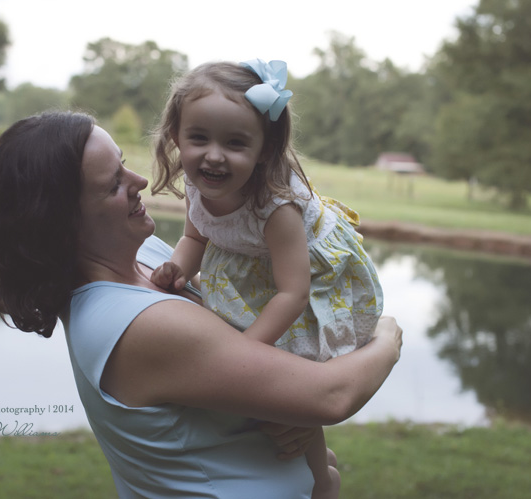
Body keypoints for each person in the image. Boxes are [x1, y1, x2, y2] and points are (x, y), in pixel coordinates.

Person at [0, 110, 402, 499]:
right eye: (113, 184)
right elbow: (332, 394)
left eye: (123, 161)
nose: (138, 181)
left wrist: (285, 409)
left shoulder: (149, 256)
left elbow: (236, 330)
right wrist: (386, 335)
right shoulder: (134, 325)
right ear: (64, 220)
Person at [150, 59, 384, 498]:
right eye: (198, 138)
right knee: (254, 401)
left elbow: (293, 292)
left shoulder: (275, 208)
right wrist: (178, 267)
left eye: (236, 143)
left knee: (289, 396)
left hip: (304, 286)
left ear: (263, 150)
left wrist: (243, 351)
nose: (214, 155)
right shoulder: (200, 187)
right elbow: (193, 238)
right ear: (175, 136)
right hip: (257, 279)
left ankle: (322, 483)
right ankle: (301, 463)